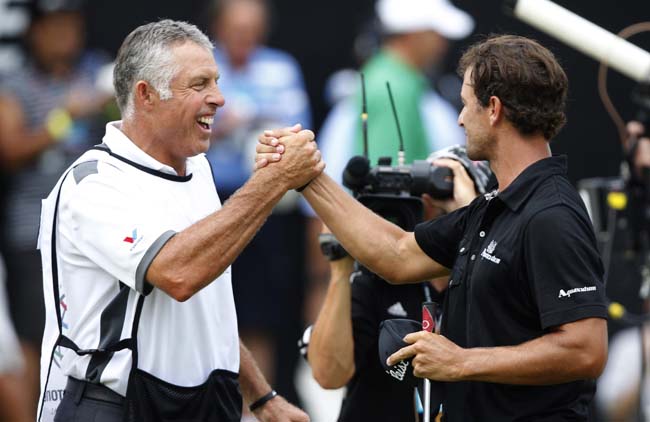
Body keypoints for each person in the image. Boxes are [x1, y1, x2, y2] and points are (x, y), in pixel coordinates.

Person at [257, 35, 608, 421]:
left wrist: (462, 362)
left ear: (493, 109)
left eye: (465, 103)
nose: (460, 119)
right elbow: (396, 254)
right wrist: (308, 178)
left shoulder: (550, 213)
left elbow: (586, 349)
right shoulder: (492, 208)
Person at [37, 19, 319, 422]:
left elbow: (208, 310)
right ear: (146, 95)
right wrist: (273, 183)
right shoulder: (93, 183)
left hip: (200, 403)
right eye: (200, 84)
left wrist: (262, 398)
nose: (220, 98)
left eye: (216, 82)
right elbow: (180, 274)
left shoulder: (197, 170)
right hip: (113, 405)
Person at [306, 146, 492, 422]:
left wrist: (468, 212)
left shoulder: (494, 275)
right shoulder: (378, 280)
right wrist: (340, 271)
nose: (433, 201)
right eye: (426, 188)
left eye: (446, 185)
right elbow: (329, 375)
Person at [0, 1, 113, 414]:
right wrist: (64, 117)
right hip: (36, 234)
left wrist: (110, 105)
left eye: (71, 25)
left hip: (99, 234)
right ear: (35, 32)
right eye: (55, 26)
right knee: (37, 336)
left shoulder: (96, 74)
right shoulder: (15, 83)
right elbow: (9, 149)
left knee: (98, 337)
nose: (66, 34)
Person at [206, 0, 313, 407]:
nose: (244, 38)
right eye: (236, 29)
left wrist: (241, 118)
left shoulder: (280, 67)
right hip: (207, 200)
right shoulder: (202, 63)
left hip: (266, 206)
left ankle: (256, 409)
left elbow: (295, 127)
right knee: (205, 307)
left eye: (252, 29)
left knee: (257, 315)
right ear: (218, 26)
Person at [318, 0, 471, 186]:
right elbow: (385, 189)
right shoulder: (392, 87)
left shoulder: (396, 80)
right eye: (437, 34)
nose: (443, 45)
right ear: (414, 34)